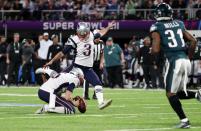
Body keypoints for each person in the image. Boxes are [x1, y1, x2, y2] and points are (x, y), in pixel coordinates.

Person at [150, 3, 201, 128]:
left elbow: (155, 49)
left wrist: (153, 49)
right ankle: (197, 94)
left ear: (159, 14)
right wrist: (188, 57)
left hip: (174, 61)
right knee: (177, 92)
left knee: (170, 93)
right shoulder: (179, 23)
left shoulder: (156, 26)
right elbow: (193, 41)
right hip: (185, 60)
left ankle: (184, 121)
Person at [44, 22, 115, 110]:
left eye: (84, 34)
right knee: (62, 82)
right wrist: (52, 61)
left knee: (98, 84)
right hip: (76, 67)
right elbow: (62, 52)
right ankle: (51, 99)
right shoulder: (74, 39)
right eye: (80, 34)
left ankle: (101, 103)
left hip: (87, 69)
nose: (82, 36)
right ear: (77, 32)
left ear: (87, 31)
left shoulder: (92, 35)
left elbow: (102, 32)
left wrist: (108, 27)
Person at [83, 33, 104, 100]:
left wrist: (101, 63)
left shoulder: (101, 44)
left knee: (98, 79)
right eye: (97, 38)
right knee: (87, 79)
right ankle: (86, 95)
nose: (98, 39)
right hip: (90, 63)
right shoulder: (90, 44)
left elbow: (102, 54)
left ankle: (96, 95)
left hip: (97, 63)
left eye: (99, 38)